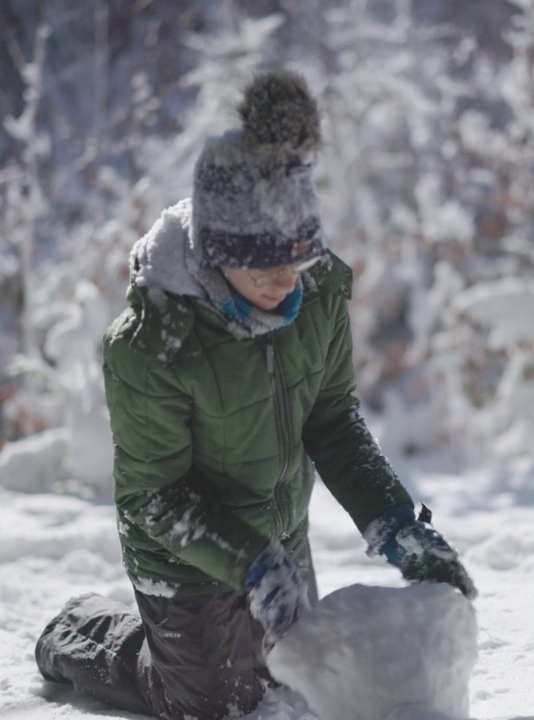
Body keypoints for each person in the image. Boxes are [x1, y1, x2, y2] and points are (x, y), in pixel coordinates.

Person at [34, 69, 476, 720]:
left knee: (300, 689)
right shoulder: (153, 344)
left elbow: (333, 422)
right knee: (212, 706)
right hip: (181, 549)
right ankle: (86, 629)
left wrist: (396, 524)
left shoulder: (318, 294)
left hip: (277, 530)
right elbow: (156, 496)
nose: (284, 277)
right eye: (262, 260)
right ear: (216, 251)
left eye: (295, 254)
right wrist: (248, 560)